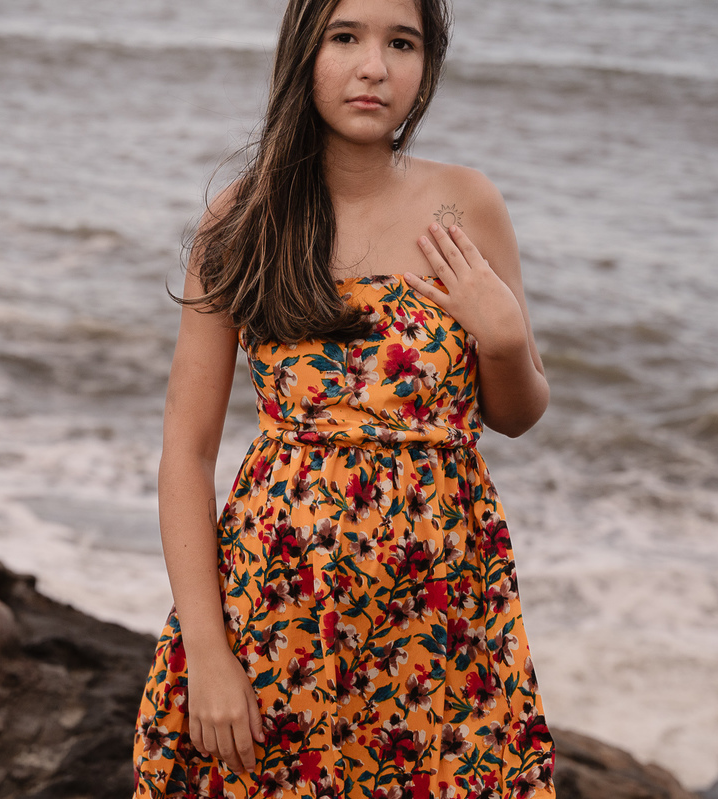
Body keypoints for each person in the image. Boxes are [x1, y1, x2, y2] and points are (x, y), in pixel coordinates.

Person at [132, 0, 557, 796]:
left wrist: (502, 339)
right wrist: (209, 653)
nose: (375, 67)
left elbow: (517, 412)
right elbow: (186, 450)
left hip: (444, 616)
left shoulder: (467, 204)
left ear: (427, 64)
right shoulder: (242, 220)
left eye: (403, 43)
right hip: (280, 608)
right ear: (304, 49)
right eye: (346, 38)